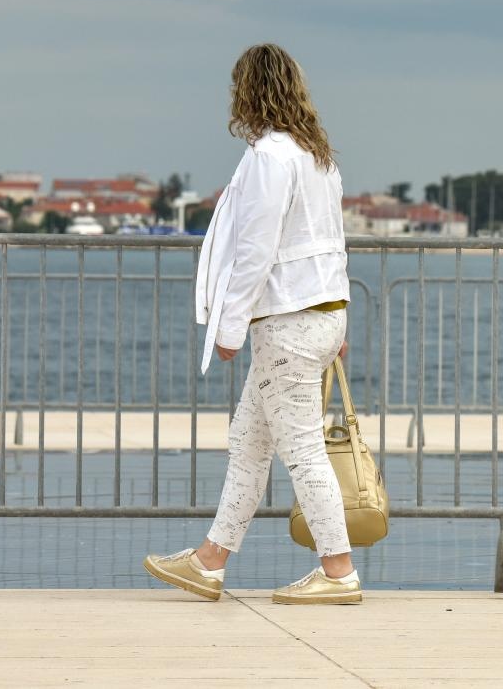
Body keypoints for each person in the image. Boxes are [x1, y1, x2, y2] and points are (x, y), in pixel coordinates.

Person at [144, 43, 359, 605]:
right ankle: (209, 561)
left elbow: (255, 249)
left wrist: (229, 326)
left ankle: (338, 571)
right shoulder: (319, 157)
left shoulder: (270, 157)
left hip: (286, 322)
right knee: (248, 442)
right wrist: (340, 321)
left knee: (303, 450)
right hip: (319, 316)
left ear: (248, 91)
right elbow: (332, 244)